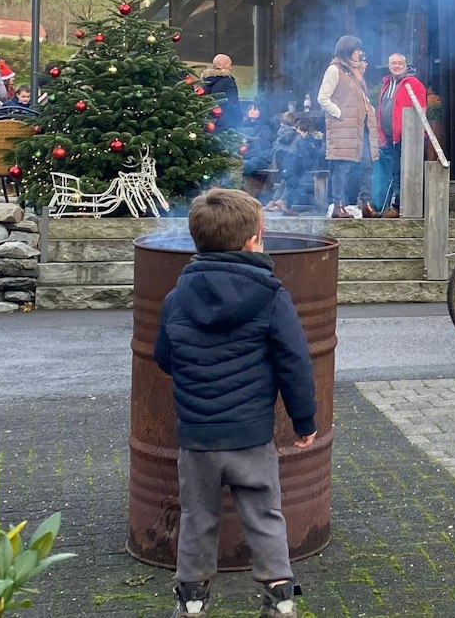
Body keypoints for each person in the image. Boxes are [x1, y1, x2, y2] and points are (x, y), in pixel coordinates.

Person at [152, 188, 316, 618]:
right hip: (250, 436)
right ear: (254, 238)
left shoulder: (175, 298)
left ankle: (191, 601)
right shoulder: (270, 295)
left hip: (197, 438)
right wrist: (304, 422)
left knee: (198, 517)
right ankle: (280, 600)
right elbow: (294, 362)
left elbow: (164, 357)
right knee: (264, 514)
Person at [316, 36, 378, 218]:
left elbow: (358, 98)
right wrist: (340, 113)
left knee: (366, 166)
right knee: (342, 166)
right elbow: (323, 98)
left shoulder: (354, 72)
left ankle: (366, 204)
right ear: (349, 50)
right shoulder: (334, 70)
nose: (360, 53)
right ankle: (338, 205)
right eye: (357, 50)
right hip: (343, 128)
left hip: (361, 127)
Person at [372, 54, 426, 217]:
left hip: (407, 138)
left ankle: (400, 206)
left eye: (400, 63)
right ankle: (394, 205)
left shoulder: (413, 84)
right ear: (389, 66)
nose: (396, 66)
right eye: (393, 63)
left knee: (405, 172)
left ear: (405, 65)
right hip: (389, 138)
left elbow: (421, 109)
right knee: (394, 172)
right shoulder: (387, 84)